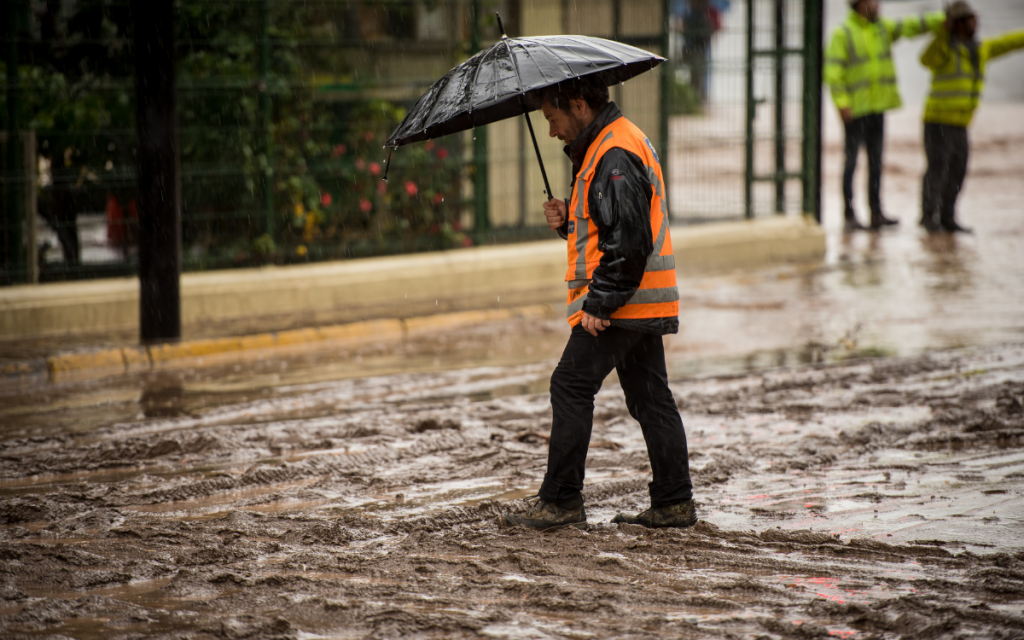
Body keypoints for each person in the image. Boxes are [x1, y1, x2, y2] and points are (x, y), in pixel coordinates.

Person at [504, 76, 696, 531]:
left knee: (569, 386)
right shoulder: (613, 145)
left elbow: (629, 242)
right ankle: (673, 502)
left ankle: (561, 500)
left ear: (577, 105)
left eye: (552, 118)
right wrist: (567, 219)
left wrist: (601, 303)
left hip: (621, 302)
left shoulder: (612, 154)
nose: (551, 130)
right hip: (639, 300)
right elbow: (609, 227)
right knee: (651, 399)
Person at [824, 0, 945, 232]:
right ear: (859, 4)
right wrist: (842, 103)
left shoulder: (882, 29)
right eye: (873, 1)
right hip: (855, 111)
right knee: (851, 162)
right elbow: (833, 71)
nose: (878, 5)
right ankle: (849, 214)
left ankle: (876, 213)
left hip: (877, 108)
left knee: (876, 163)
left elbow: (912, 26)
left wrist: (941, 20)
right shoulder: (844, 33)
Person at [919, 1, 1024, 233]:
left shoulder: (979, 49)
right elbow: (925, 59)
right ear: (957, 24)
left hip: (961, 123)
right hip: (937, 121)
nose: (976, 23)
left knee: (958, 170)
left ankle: (948, 217)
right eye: (970, 19)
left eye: (975, 19)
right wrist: (942, 32)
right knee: (937, 169)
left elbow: (1009, 42)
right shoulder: (944, 47)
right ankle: (928, 217)